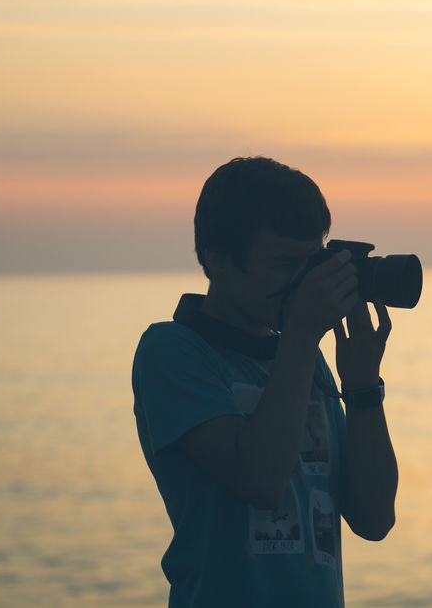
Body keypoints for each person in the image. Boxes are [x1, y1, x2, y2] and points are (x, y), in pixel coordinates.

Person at [132, 156, 398, 607]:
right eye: (282, 263)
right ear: (216, 258)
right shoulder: (172, 350)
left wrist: (362, 388)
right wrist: (298, 335)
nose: (301, 281)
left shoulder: (304, 359)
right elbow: (260, 480)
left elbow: (374, 520)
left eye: (309, 261)